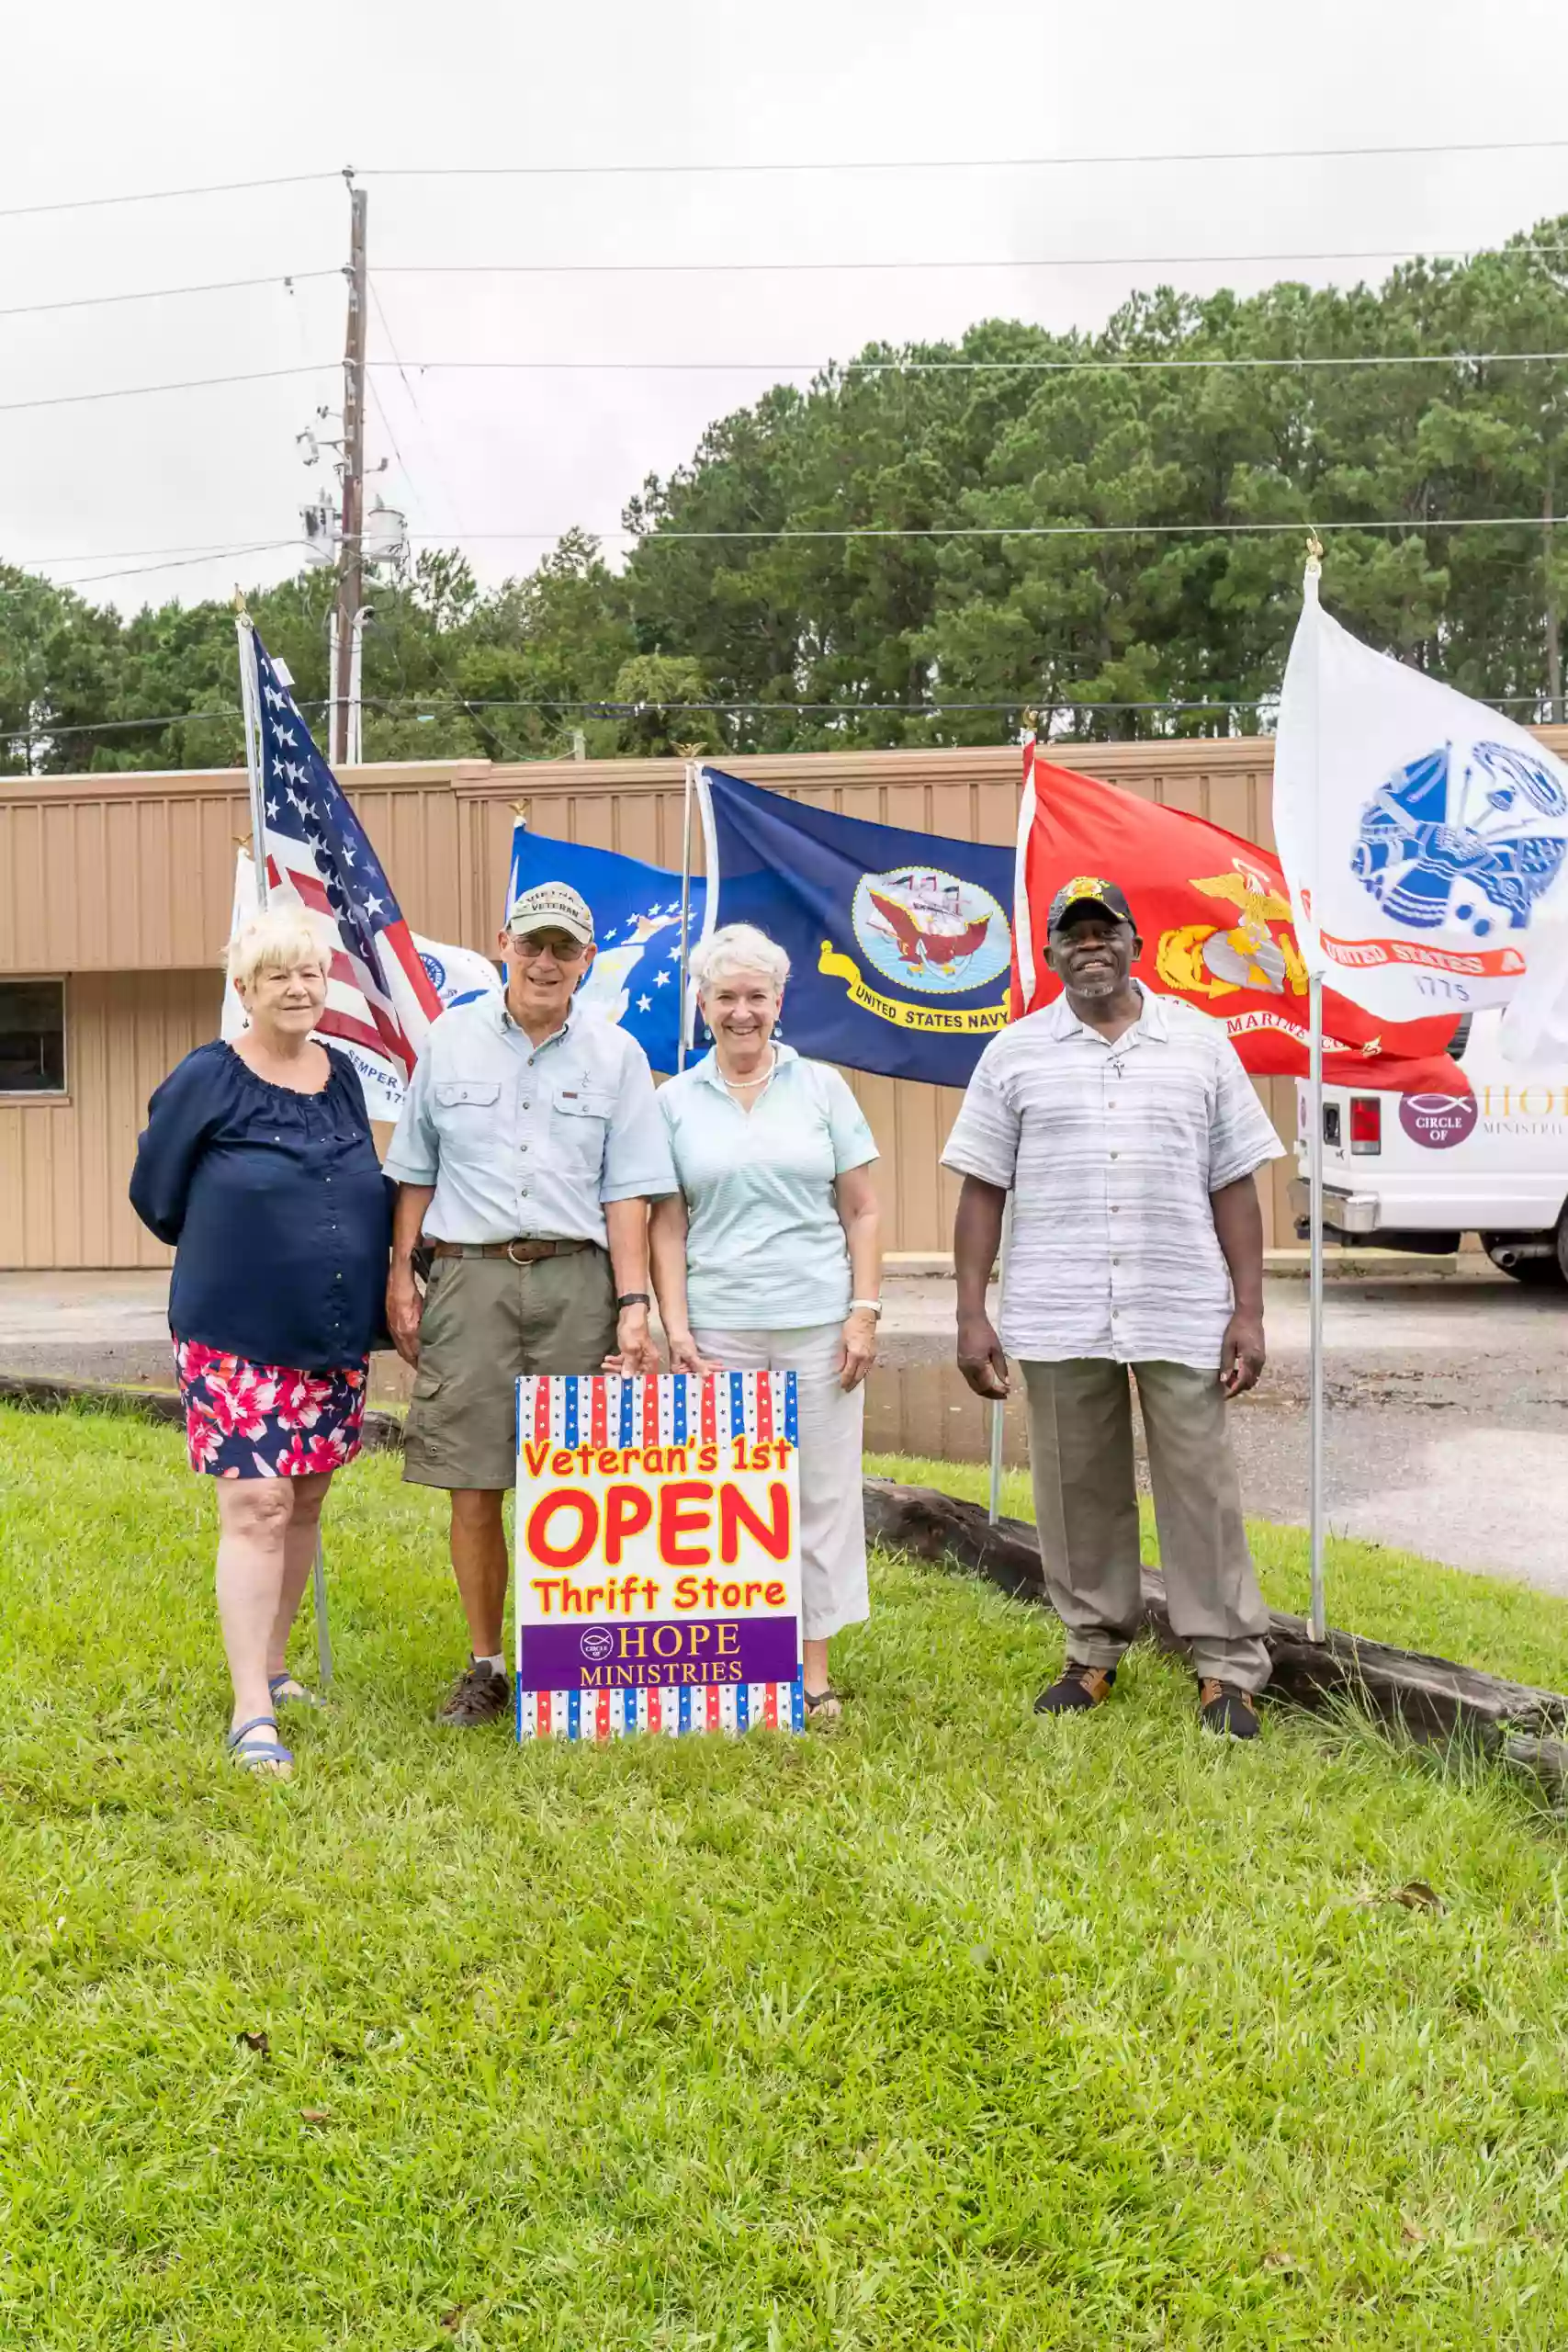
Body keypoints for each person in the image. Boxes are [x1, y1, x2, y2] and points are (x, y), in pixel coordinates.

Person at [943, 876, 1284, 1740]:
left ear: (1133, 942)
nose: (1089, 945)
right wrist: (970, 1313)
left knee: (1199, 1488)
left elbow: (1234, 1184)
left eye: (1105, 931)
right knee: (1074, 1488)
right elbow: (982, 1191)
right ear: (1051, 952)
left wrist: (1248, 1310)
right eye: (1072, 934)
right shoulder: (1012, 1053)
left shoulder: (1200, 1044)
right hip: (1056, 1307)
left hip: (1179, 1302)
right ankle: (1091, 1650)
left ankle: (1226, 1670)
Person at [384, 879, 676, 1726]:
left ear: (586, 961)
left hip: (577, 1279)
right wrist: (402, 1274)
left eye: (564, 949)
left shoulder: (617, 1055)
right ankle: (486, 1668)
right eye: (533, 944)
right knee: (472, 1481)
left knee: (581, 1481)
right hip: (468, 1276)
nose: (546, 962)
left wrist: (632, 1303)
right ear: (503, 943)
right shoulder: (448, 1039)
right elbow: (416, 1169)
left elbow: (629, 1192)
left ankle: (577, 1666)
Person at [129, 906, 393, 1779]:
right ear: (243, 989)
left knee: (306, 1502)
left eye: (310, 973)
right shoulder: (209, 1076)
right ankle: (251, 1714)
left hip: (332, 1329)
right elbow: (157, 1195)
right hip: (235, 1331)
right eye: (277, 974)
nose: (298, 988)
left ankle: (277, 1671)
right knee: (258, 1506)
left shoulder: (343, 1074)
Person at [649, 922, 882, 1721]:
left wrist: (863, 1313)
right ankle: (736, 1660)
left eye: (755, 996)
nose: (740, 1012)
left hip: (817, 1325)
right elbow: (667, 1225)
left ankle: (810, 1672)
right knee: (722, 1499)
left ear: (778, 1001)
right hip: (717, 1329)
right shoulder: (673, 1101)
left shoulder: (822, 1089)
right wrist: (675, 1330)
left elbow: (862, 1209)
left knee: (817, 1496)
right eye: (725, 997)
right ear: (701, 1004)